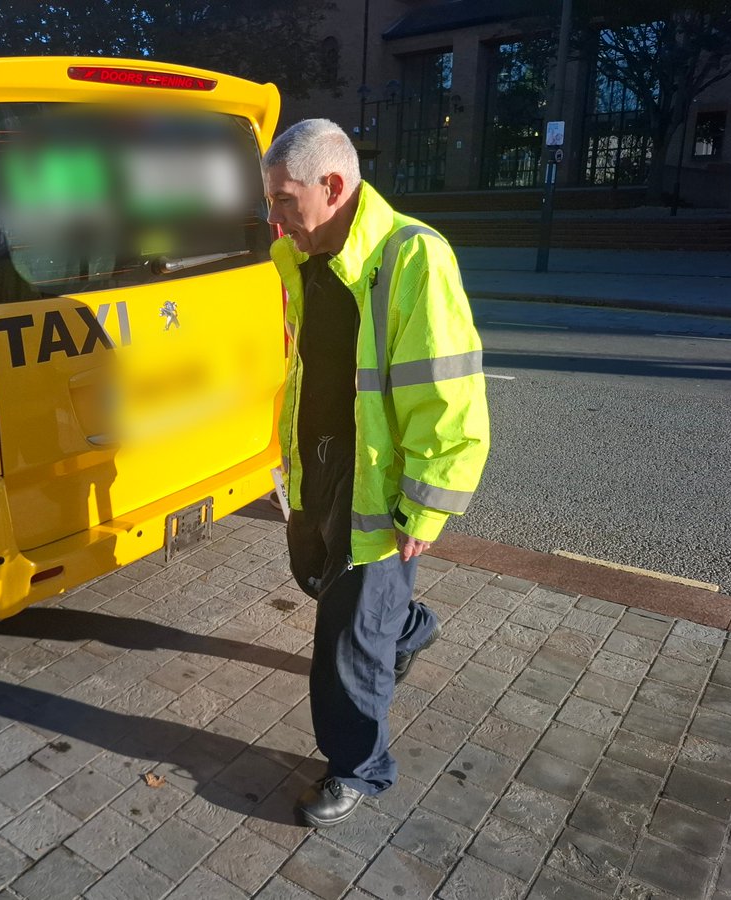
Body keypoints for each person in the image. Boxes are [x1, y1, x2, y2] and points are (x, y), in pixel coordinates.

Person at [262, 119, 489, 828]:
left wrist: (426, 504)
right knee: (316, 575)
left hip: (378, 482)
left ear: (332, 186)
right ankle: (409, 625)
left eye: (285, 201)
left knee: (345, 637)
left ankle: (359, 768)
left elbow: (448, 391)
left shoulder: (413, 257)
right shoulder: (299, 258)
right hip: (320, 464)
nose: (276, 219)